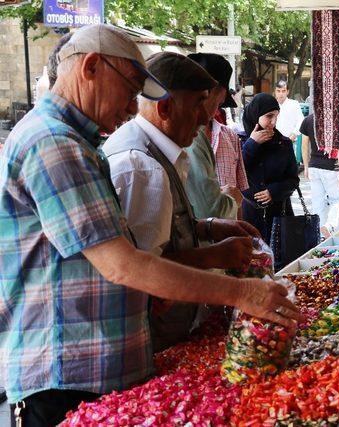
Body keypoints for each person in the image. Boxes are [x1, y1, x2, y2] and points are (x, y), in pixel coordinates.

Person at [0, 25, 301, 426]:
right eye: (129, 90)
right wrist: (243, 292)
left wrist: (209, 231)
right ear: (91, 67)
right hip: (68, 375)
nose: (131, 107)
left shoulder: (76, 141)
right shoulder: (53, 142)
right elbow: (123, 264)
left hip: (91, 370)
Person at [102, 52, 262, 352]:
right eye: (199, 104)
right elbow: (142, 271)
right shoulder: (140, 167)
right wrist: (216, 257)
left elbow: (159, 233)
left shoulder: (160, 151)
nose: (205, 117)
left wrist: (209, 228)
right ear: (164, 107)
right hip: (147, 341)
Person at [185, 53, 245, 220]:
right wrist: (229, 199)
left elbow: (238, 190)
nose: (207, 117)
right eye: (217, 105)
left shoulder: (230, 136)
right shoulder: (189, 137)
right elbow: (209, 209)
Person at [240, 93, 300, 242]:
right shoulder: (240, 141)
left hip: (280, 215)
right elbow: (236, 172)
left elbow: (293, 179)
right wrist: (252, 144)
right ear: (256, 115)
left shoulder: (283, 143)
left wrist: (273, 191)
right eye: (269, 116)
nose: (273, 122)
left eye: (276, 116)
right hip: (249, 216)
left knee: (281, 260)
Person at [300, 113, 339, 237]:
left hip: (314, 167)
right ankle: (330, 225)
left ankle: (319, 235)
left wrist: (306, 166)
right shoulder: (338, 119)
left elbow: (304, 145)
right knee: (337, 200)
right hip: (331, 167)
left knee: (317, 203)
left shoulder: (309, 119)